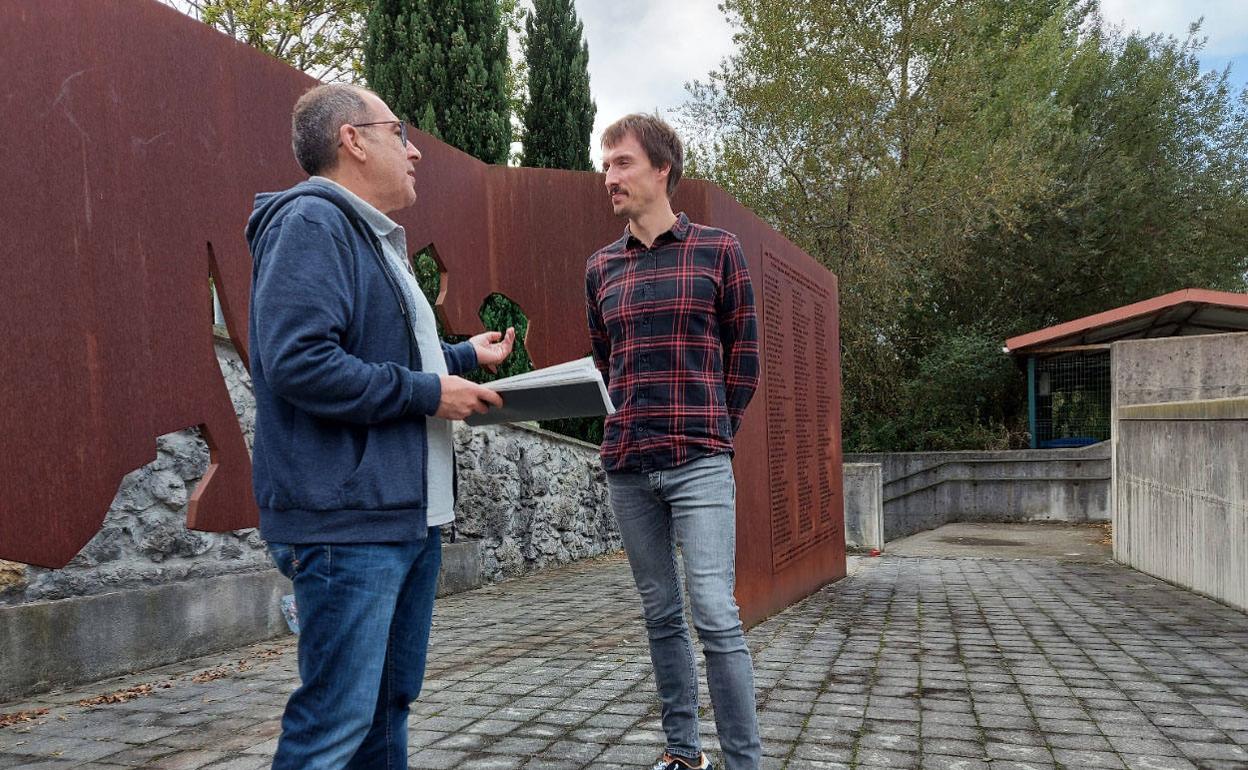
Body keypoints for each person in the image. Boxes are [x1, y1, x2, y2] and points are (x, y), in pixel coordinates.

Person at [246, 83, 514, 769]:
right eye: (400, 132)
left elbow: (373, 354)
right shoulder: (312, 222)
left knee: (383, 713)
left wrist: (459, 358)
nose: (415, 148)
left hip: (402, 520)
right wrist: (428, 391)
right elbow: (298, 362)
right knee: (334, 726)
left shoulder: (370, 239)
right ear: (353, 139)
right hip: (349, 529)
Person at [584, 113, 763, 770]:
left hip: (699, 465)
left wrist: (712, 429)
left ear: (663, 169)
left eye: (622, 163)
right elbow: (606, 362)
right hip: (629, 467)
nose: (610, 177)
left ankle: (746, 762)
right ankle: (685, 755)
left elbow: (744, 357)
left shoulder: (719, 251)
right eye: (606, 166)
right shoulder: (600, 268)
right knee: (661, 613)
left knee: (714, 612)